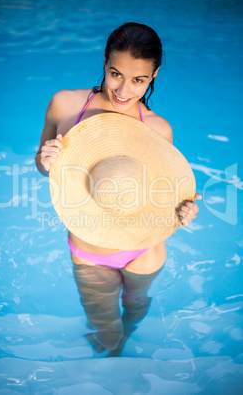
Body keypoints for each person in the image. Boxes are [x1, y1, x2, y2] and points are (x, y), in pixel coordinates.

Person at [36, 22, 202, 353]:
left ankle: (128, 344)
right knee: (106, 336)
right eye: (116, 74)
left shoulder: (157, 128)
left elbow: (163, 198)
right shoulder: (65, 105)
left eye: (138, 80)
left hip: (146, 251)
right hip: (90, 254)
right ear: (104, 62)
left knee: (136, 309)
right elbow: (43, 167)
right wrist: (45, 159)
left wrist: (184, 211)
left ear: (153, 75)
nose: (124, 90)